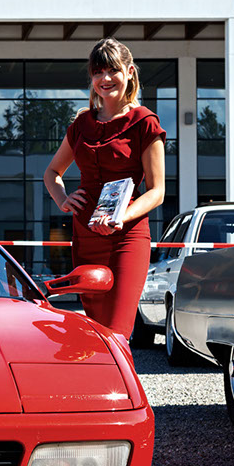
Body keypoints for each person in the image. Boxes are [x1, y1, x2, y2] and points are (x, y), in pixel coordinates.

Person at [43, 38, 165, 340]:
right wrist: (63, 199)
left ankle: (123, 375)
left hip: (127, 237)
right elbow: (52, 173)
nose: (105, 78)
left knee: (117, 333)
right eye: (98, 72)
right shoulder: (81, 124)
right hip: (86, 237)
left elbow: (157, 191)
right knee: (95, 331)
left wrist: (122, 215)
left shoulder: (144, 122)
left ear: (130, 72)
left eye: (113, 70)